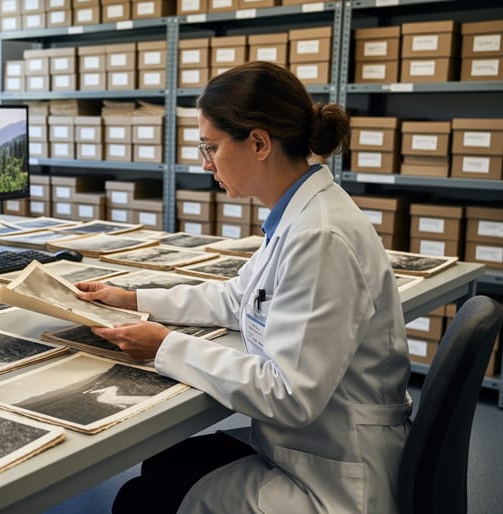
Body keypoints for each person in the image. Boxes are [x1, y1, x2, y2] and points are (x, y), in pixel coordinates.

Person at [76, 61, 412, 514]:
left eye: (210, 147)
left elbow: (288, 395)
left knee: (140, 499)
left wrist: (164, 347)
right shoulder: (300, 213)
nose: (204, 162)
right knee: (164, 461)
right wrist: (134, 300)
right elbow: (238, 298)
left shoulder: (320, 236)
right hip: (311, 444)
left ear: (258, 142)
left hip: (336, 474)